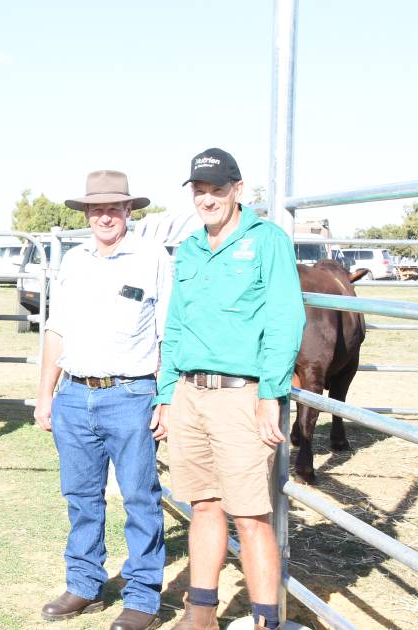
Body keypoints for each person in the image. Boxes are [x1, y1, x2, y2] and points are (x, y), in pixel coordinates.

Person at [152, 148, 305, 630]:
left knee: (251, 514)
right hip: (190, 394)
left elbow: (285, 318)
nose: (208, 198)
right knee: (202, 504)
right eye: (200, 190)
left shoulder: (268, 241)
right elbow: (175, 326)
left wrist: (269, 395)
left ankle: (265, 622)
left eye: (218, 189)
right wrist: (166, 393)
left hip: (242, 395)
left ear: (237, 190)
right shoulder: (191, 247)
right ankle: (201, 614)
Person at [34, 170, 172, 630]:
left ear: (129, 211)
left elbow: (168, 332)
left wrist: (166, 398)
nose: (106, 216)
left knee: (139, 496)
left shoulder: (152, 258)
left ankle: (142, 596)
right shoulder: (74, 261)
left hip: (131, 393)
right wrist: (44, 395)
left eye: (115, 207)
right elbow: (57, 329)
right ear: (87, 214)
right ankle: (84, 583)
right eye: (97, 208)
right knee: (80, 496)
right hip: (74, 393)